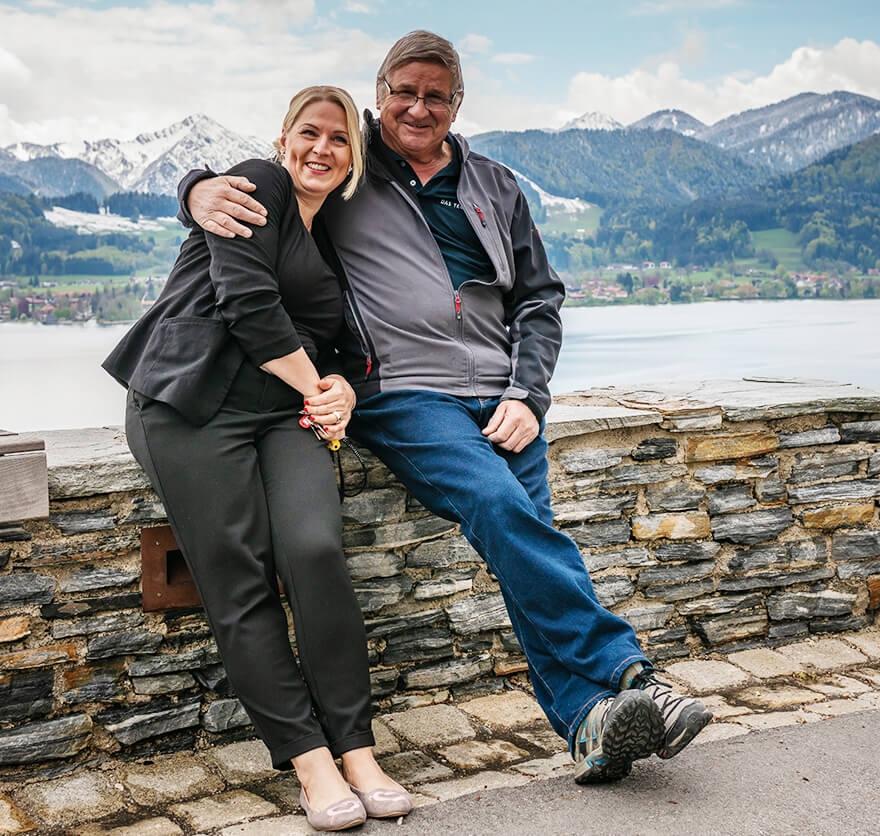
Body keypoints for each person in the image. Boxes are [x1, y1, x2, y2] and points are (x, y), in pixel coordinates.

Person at [178, 32, 713, 785]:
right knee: (501, 507)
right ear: (380, 94)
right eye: (404, 91)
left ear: (457, 104)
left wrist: (528, 394)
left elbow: (539, 300)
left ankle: (590, 724)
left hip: (502, 396)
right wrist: (194, 189)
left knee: (523, 541)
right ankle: (631, 674)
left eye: (436, 95)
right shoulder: (351, 164)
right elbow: (274, 177)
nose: (418, 107)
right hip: (403, 393)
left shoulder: (496, 184)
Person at [103, 86, 412, 832]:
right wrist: (318, 388)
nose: (322, 148)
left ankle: (358, 750)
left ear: (353, 158)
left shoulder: (330, 234)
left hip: (282, 415)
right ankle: (311, 764)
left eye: (339, 139)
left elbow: (346, 346)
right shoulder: (258, 185)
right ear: (283, 140)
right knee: (237, 577)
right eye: (310, 132)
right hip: (191, 407)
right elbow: (247, 303)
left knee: (315, 550)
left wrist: (341, 386)